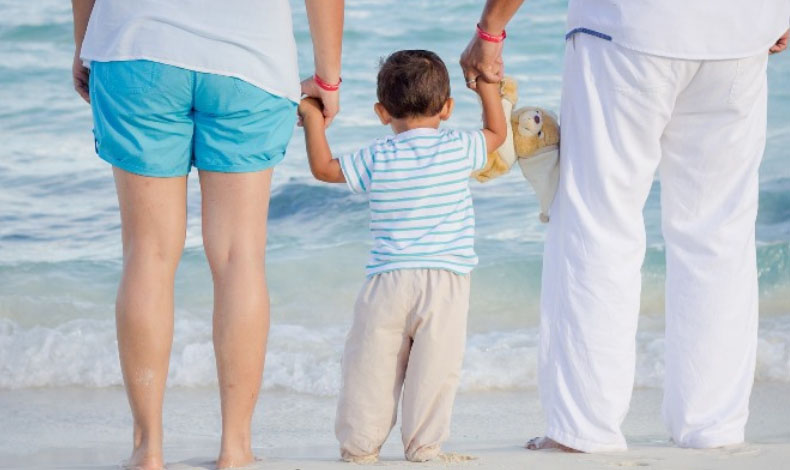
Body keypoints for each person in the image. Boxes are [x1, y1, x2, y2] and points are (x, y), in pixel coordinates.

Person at [461, 0, 790, 453]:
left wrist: (491, 29)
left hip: (627, 27)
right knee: (719, 233)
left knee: (599, 221)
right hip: (740, 30)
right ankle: (713, 425)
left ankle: (585, 427)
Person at [70, 1, 343, 468]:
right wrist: (328, 78)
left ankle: (147, 448)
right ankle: (235, 449)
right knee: (240, 256)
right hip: (251, 61)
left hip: (136, 47)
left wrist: (85, 44)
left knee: (148, 254)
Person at [298, 50, 506, 462]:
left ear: (381, 112)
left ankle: (359, 448)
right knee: (436, 368)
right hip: (446, 280)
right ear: (446, 109)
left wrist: (311, 116)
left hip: (387, 280)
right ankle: (424, 447)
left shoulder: (376, 156)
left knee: (370, 367)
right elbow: (497, 134)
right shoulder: (460, 148)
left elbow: (323, 168)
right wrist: (488, 89)